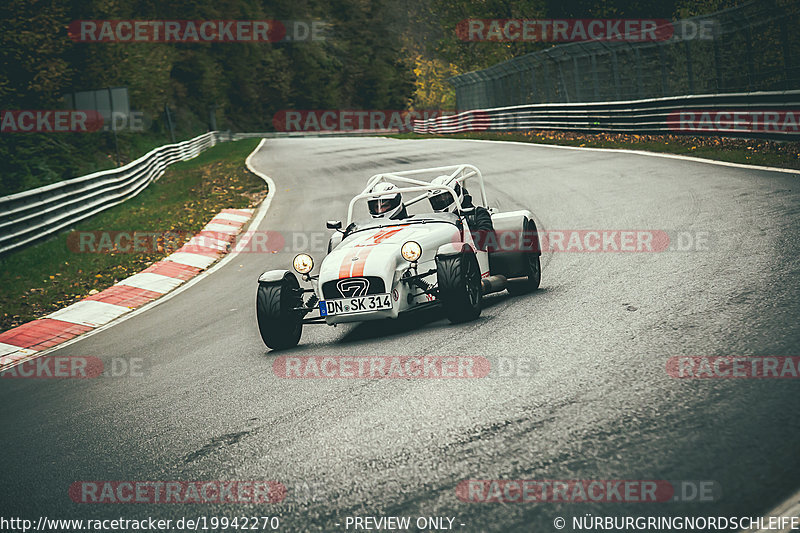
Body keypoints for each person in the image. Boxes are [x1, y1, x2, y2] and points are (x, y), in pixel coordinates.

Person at [428, 176, 494, 245]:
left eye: (445, 198)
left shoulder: (478, 213)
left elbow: (487, 237)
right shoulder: (436, 222)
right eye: (437, 200)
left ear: (456, 193)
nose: (442, 201)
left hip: (470, 253)